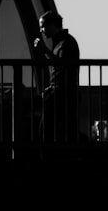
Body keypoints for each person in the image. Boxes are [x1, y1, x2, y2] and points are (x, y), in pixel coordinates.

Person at [34, 11, 81, 145]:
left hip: (62, 93)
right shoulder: (63, 42)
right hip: (62, 93)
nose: (41, 30)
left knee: (48, 129)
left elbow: (61, 65)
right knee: (57, 130)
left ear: (52, 25)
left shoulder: (65, 43)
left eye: (42, 26)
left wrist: (44, 51)